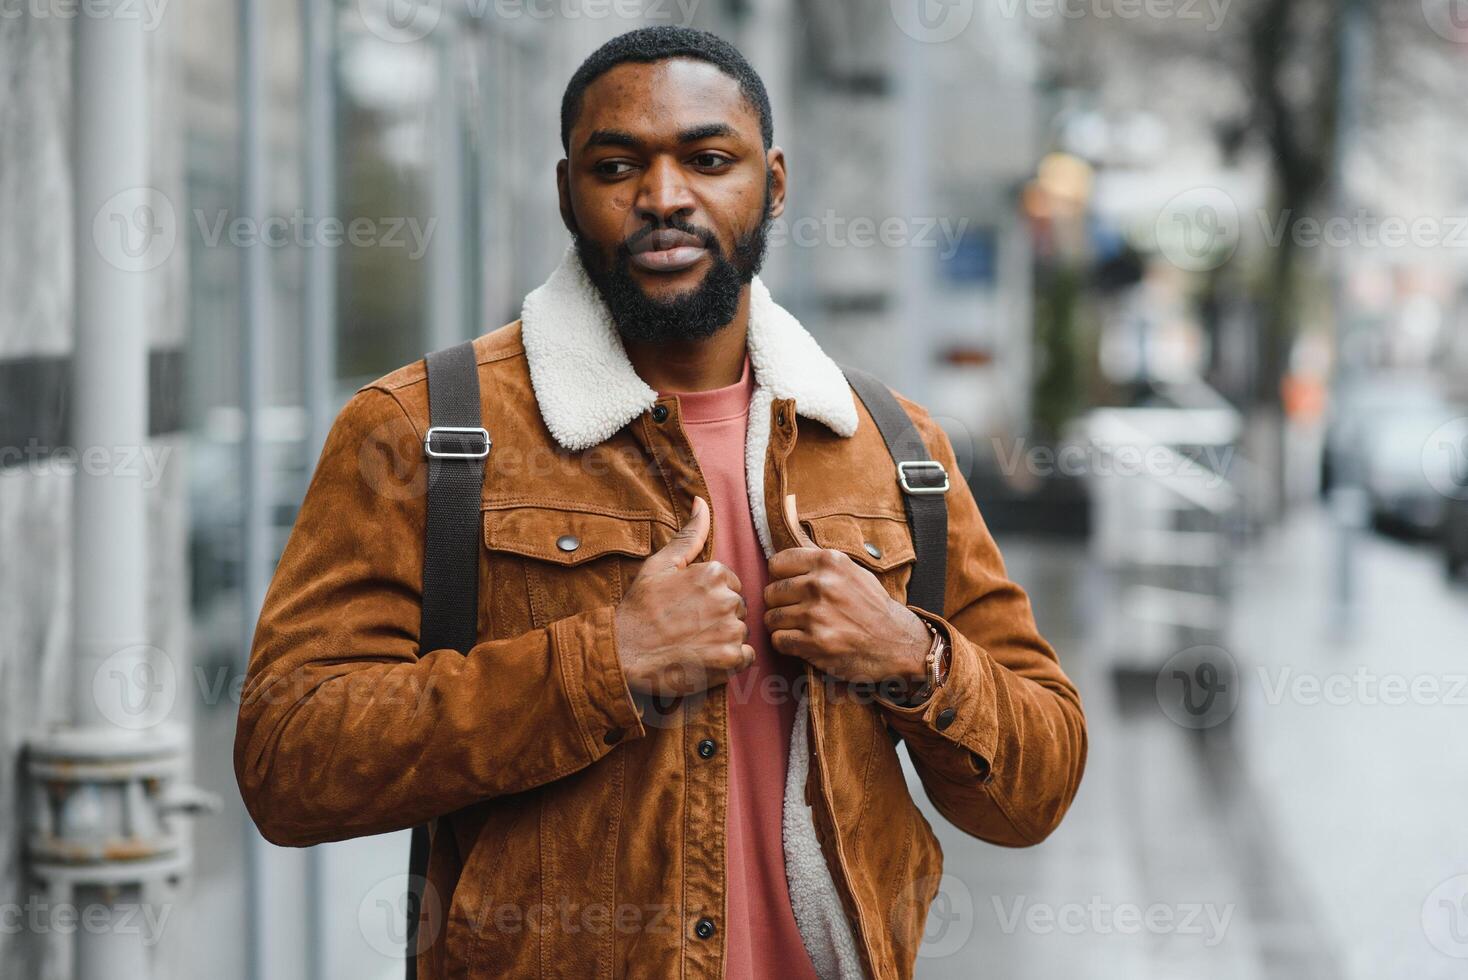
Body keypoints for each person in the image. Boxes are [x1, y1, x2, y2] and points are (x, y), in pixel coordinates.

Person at [235, 26, 1086, 980]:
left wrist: (912, 658)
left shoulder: (891, 447)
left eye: (708, 159)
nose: (664, 197)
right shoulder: (423, 432)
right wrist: (602, 665)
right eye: (617, 166)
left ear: (772, 184)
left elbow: (1038, 786)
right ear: (568, 194)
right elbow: (288, 759)